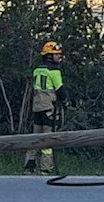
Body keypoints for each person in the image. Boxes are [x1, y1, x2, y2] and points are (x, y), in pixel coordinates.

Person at [24, 41, 70, 174]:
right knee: (48, 138)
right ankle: (46, 168)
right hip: (49, 107)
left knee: (35, 136)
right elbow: (60, 89)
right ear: (49, 56)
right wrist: (66, 101)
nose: (59, 57)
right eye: (56, 55)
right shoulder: (54, 71)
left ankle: (29, 165)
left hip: (37, 107)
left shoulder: (37, 70)